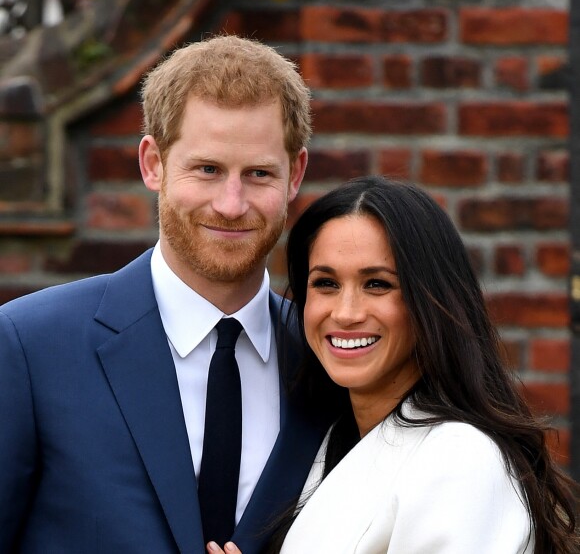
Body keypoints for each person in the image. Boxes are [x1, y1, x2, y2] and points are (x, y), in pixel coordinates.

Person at [0, 35, 330, 554]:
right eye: (208, 169)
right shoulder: (30, 345)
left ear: (296, 175)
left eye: (259, 174)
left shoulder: (328, 360)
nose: (231, 203)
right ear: (153, 163)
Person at [209, 175, 580, 554]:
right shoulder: (328, 441)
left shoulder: (460, 458)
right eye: (326, 283)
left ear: (432, 301)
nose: (346, 313)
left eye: (377, 284)